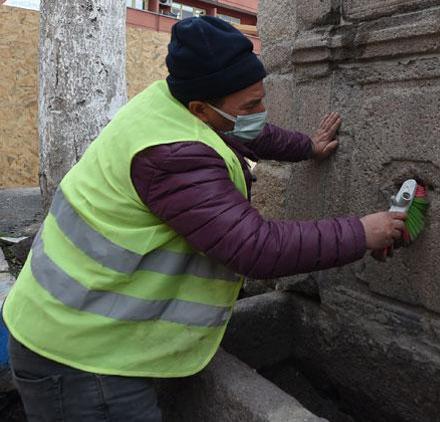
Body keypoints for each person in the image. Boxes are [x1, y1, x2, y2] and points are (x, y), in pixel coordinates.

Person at [2, 16, 405, 421]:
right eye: (251, 105)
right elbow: (255, 247)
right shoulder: (170, 154)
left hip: (81, 324)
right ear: (201, 108)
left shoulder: (176, 103)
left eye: (261, 98)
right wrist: (362, 232)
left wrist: (307, 147)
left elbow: (245, 130)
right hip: (79, 356)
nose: (261, 111)